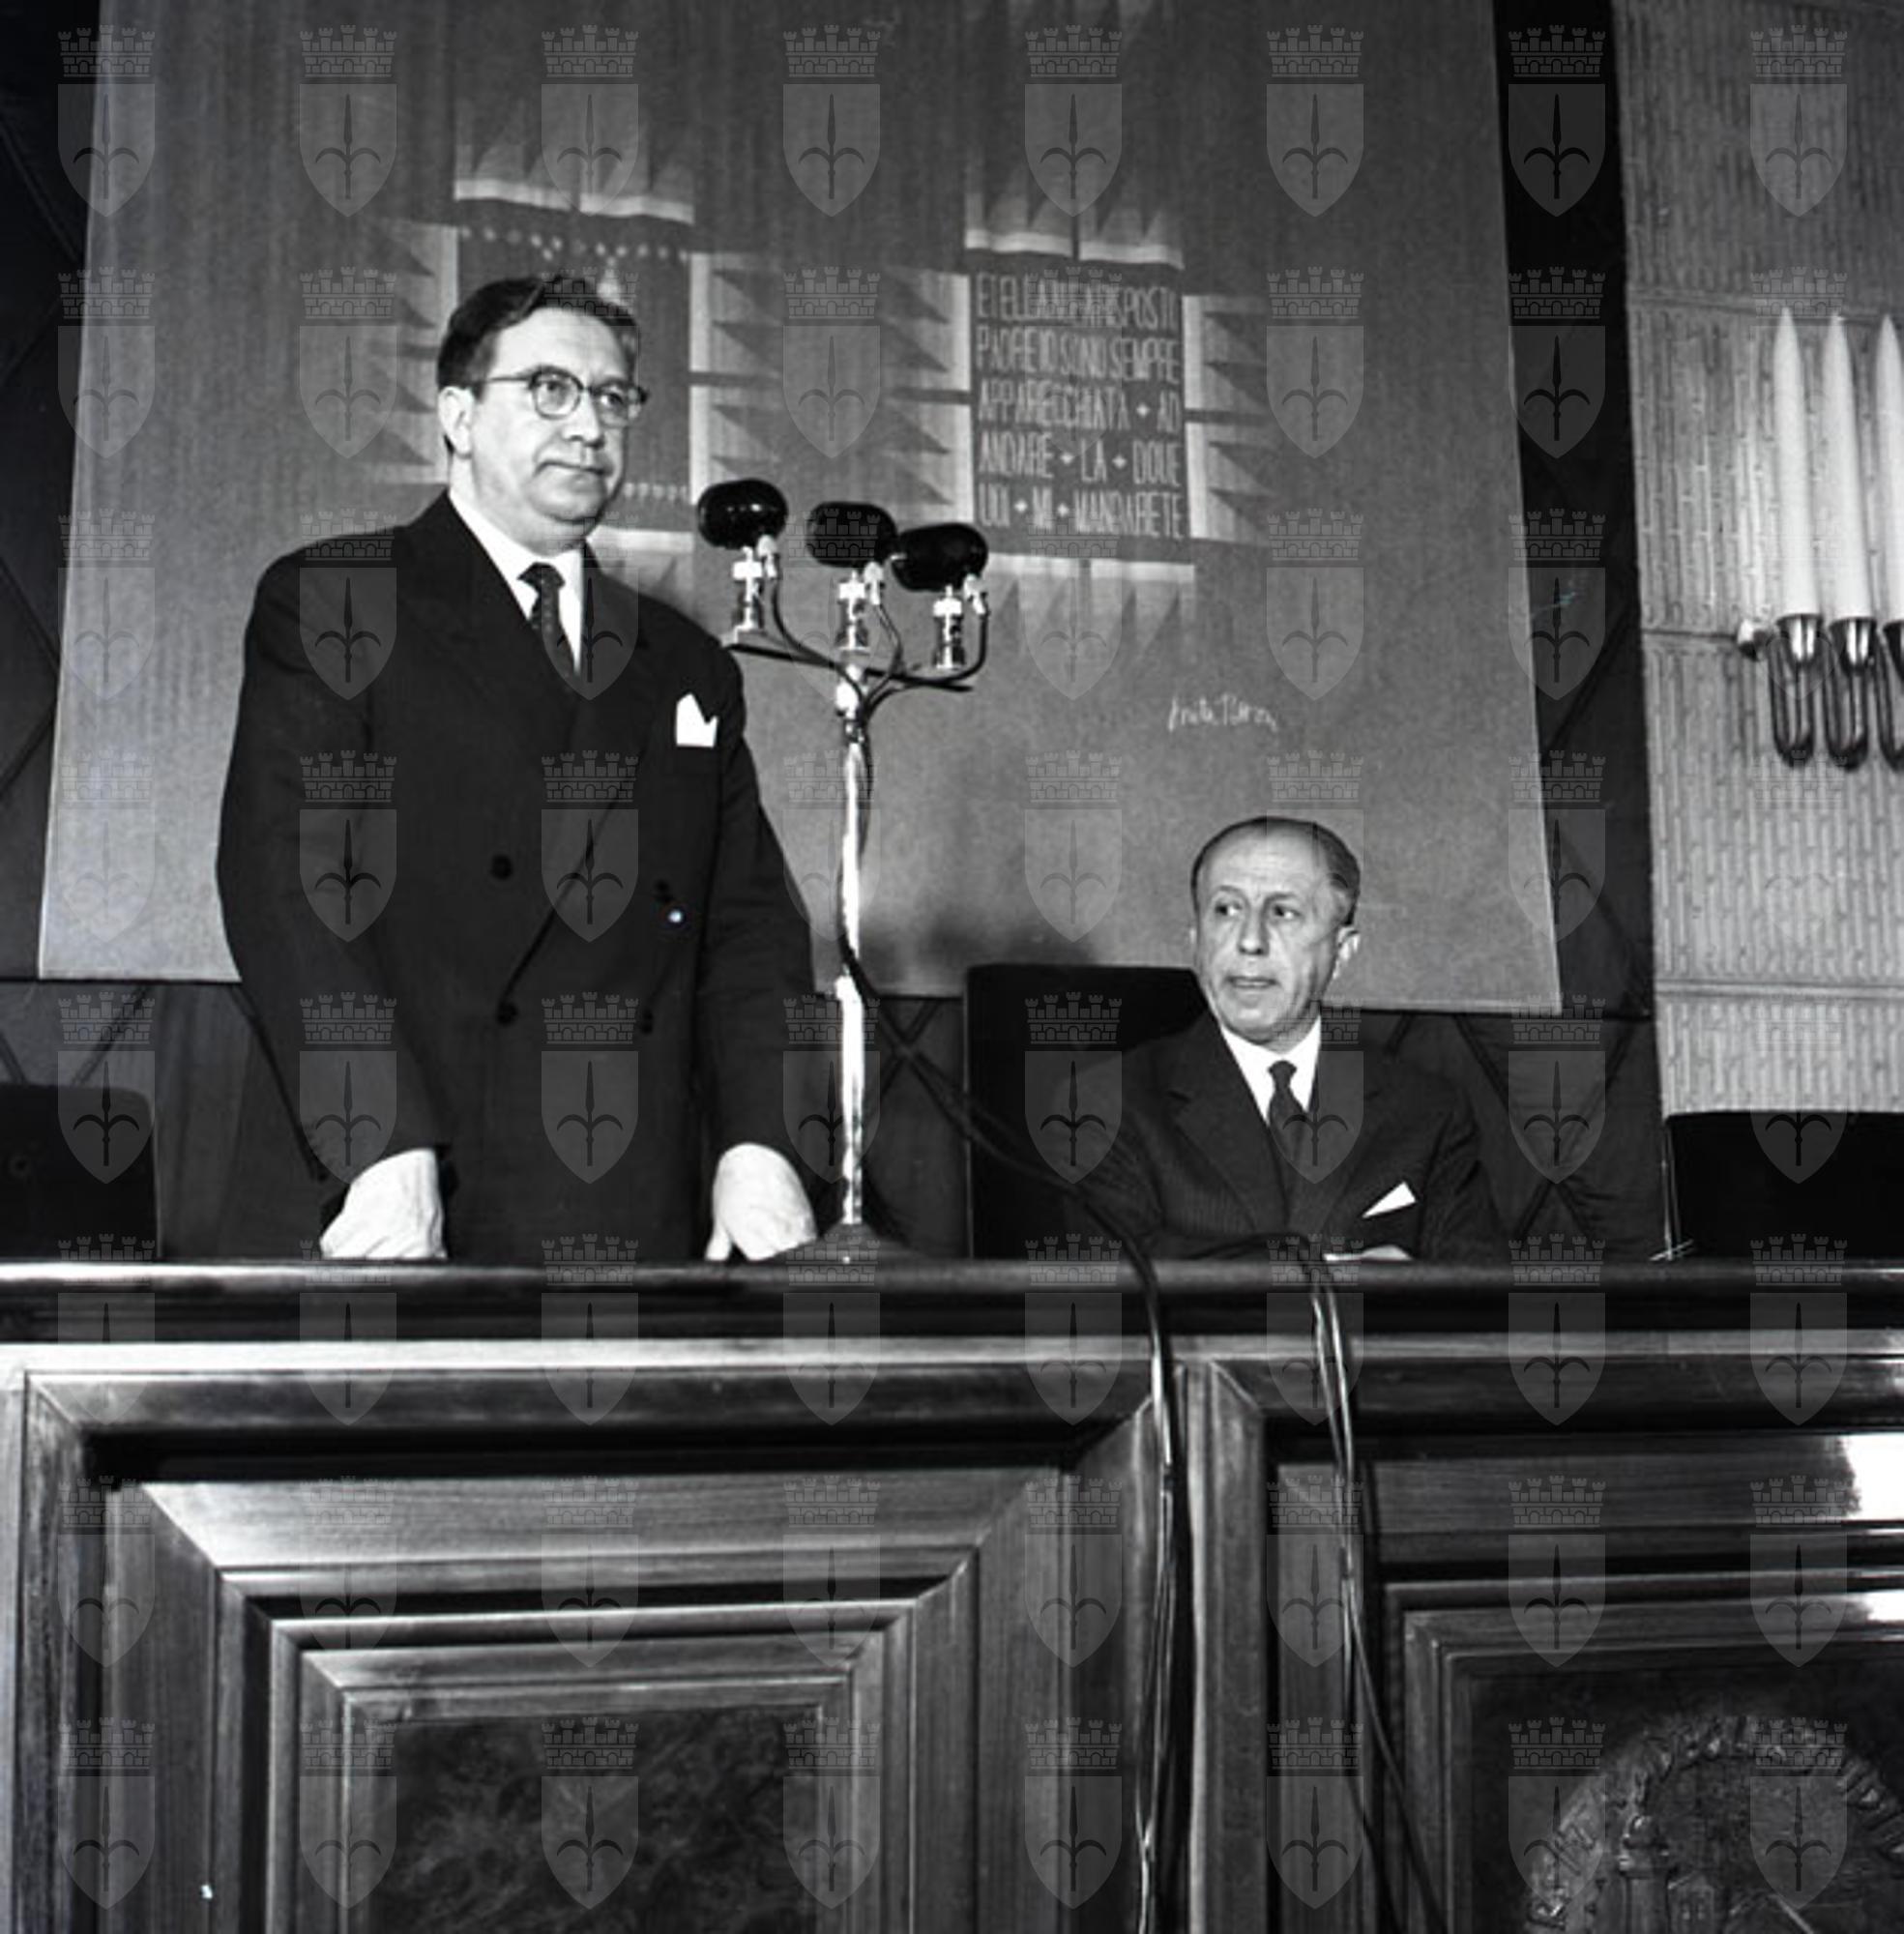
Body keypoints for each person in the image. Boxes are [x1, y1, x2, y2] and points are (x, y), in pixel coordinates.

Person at [215, 274, 816, 1263]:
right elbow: (288, 888)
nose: (588, 425)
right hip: (405, 1194)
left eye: (612, 397)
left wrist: (761, 1146)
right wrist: (379, 1141)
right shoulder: (338, 599)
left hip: (630, 1211)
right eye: (549, 389)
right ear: (457, 415)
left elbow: (748, 929)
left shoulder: (686, 663)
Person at [1077, 816, 1506, 1262]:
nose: (1250, 941)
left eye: (1283, 912)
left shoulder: (1427, 1111)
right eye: (1226, 910)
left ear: (1342, 952)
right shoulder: (1108, 1103)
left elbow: (1478, 1288)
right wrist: (1333, 1275)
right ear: (1195, 940)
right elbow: (1111, 1274)